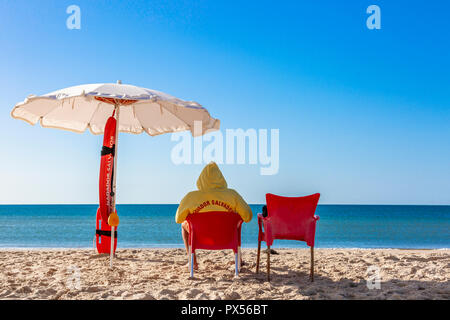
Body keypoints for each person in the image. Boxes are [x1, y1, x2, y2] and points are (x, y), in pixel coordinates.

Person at [175, 162, 252, 269]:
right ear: (221, 178)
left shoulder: (191, 196)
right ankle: (239, 260)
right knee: (237, 225)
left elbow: (178, 219)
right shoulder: (232, 194)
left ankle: (193, 262)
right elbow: (248, 216)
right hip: (227, 237)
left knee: (183, 224)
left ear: (201, 179)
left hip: (201, 237)